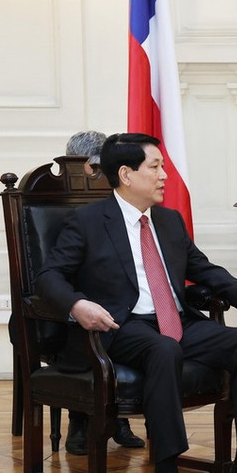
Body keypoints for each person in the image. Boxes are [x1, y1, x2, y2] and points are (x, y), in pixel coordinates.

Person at [36, 133, 237, 473]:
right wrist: (78, 304)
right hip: (122, 325)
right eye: (156, 167)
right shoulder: (88, 221)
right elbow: (49, 277)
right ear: (126, 174)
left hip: (175, 320)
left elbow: (202, 269)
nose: (164, 175)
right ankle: (167, 472)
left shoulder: (168, 220)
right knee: (164, 348)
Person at [62, 130, 145, 455]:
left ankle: (120, 416)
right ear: (80, 166)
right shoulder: (67, 204)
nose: (101, 177)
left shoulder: (121, 202)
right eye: (95, 168)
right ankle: (79, 422)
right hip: (67, 303)